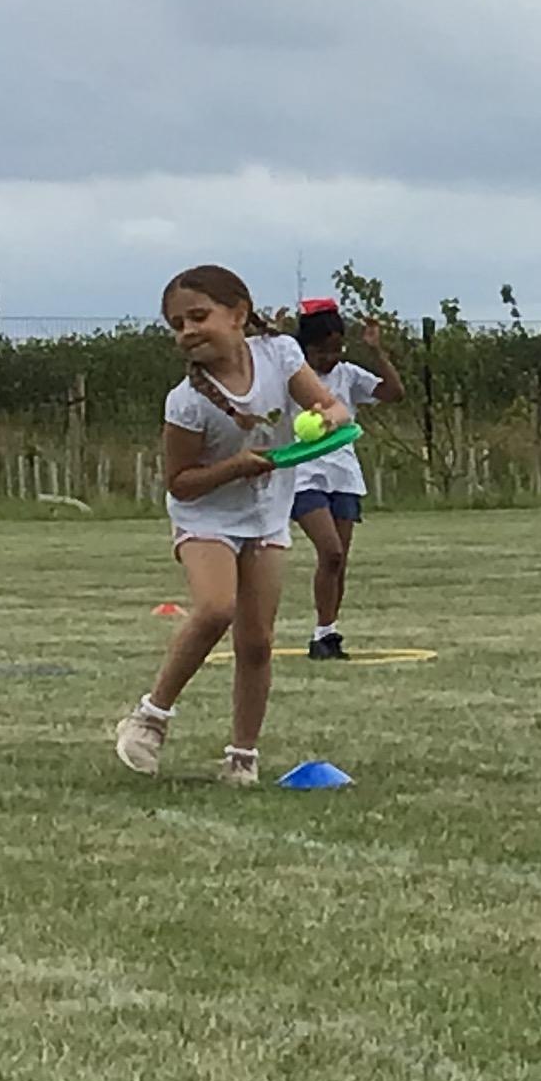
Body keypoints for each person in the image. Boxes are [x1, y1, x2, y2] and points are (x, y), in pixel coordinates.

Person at [114, 266, 350, 785]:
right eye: (178, 325)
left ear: (239, 314)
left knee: (257, 642)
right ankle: (150, 719)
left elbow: (332, 407)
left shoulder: (280, 355)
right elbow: (181, 483)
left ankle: (242, 757)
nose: (188, 331)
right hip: (207, 514)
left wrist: (328, 419)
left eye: (199, 316)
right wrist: (237, 467)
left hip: (265, 513)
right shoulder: (187, 401)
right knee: (216, 608)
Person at [283, 298, 406, 660]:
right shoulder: (290, 376)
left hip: (344, 475)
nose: (331, 358)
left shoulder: (348, 375)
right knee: (330, 550)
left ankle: (326, 634)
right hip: (304, 475)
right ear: (305, 347)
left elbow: (394, 393)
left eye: (337, 349)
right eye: (322, 351)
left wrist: (377, 351)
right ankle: (324, 634)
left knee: (339, 561)